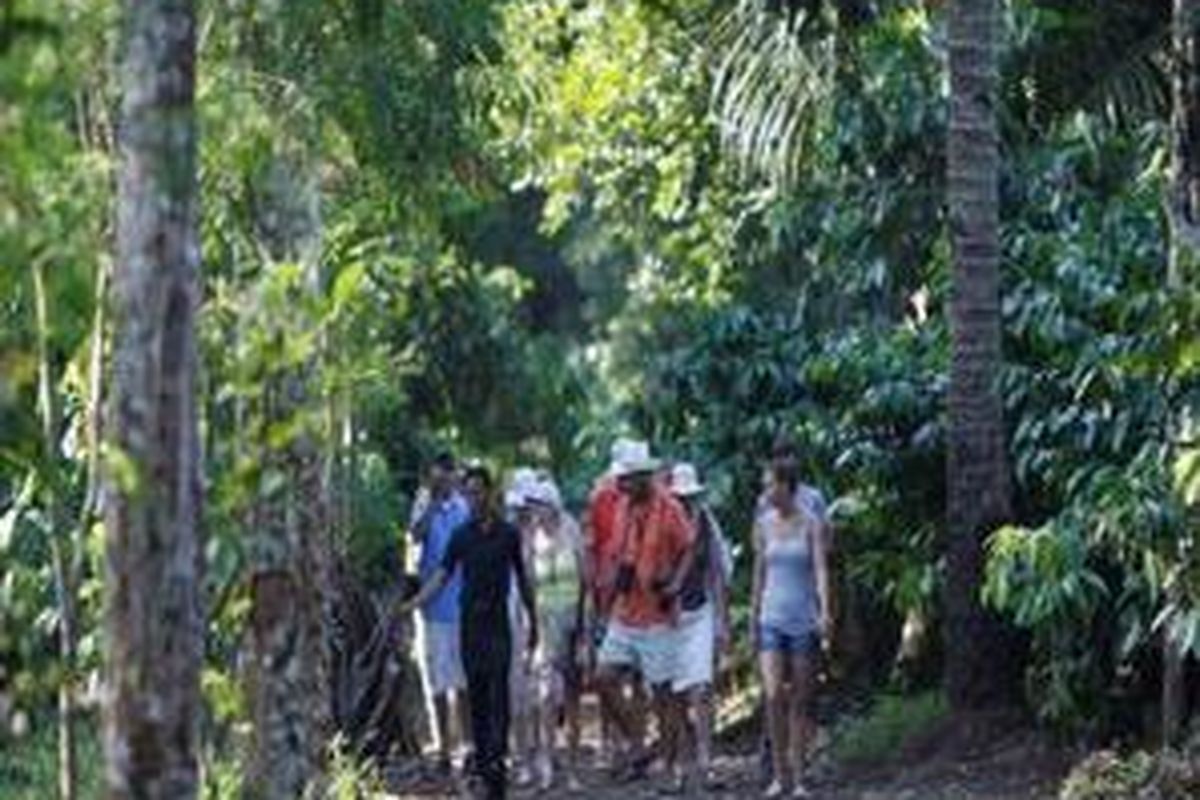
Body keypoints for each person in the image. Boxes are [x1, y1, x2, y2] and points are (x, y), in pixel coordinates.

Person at [397, 464, 539, 800]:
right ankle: (484, 760)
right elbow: (441, 575)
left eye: (479, 492)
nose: (474, 499)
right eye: (469, 493)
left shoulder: (508, 534)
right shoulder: (462, 536)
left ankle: (497, 762)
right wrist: (413, 603)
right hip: (470, 625)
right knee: (475, 693)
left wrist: (534, 624)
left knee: (499, 693)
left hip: (498, 625)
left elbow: (523, 578)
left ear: (490, 494)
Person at [593, 441, 695, 786]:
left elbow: (688, 549)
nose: (619, 485)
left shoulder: (670, 508)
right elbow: (619, 551)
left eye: (626, 479)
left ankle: (668, 769)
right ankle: (639, 745)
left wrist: (676, 584)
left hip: (657, 617)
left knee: (663, 694)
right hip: (625, 612)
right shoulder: (623, 505)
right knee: (603, 677)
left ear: (643, 477)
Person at [752, 460, 833, 799]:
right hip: (771, 618)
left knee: (801, 699)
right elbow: (759, 574)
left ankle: (799, 779)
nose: (766, 491)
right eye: (765, 485)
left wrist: (826, 610)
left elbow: (820, 569)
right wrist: (752, 617)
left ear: (787, 486)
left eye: (771, 484)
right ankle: (779, 777)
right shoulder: (763, 524)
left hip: (803, 620)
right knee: (773, 696)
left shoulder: (811, 522)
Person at [666, 462, 733, 793]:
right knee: (677, 693)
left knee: (703, 689)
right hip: (670, 618)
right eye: (680, 496)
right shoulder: (663, 526)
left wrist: (723, 623)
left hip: (701, 610)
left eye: (689, 496)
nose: (685, 502)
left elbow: (718, 575)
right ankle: (682, 761)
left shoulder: (707, 524)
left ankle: (707, 761)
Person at [407, 451, 471, 775]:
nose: (442, 480)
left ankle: (468, 749)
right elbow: (414, 537)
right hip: (431, 610)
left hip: (462, 607)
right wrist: (430, 504)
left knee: (462, 683)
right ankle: (444, 749)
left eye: (447, 474)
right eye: (437, 475)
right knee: (435, 684)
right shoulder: (422, 503)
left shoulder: (465, 505)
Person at [525, 477, 586, 792]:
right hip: (546, 626)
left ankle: (573, 768)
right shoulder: (533, 538)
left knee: (573, 698)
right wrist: (533, 636)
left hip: (572, 624)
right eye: (532, 506)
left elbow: (586, 585)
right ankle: (547, 762)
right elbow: (532, 592)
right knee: (546, 696)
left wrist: (585, 636)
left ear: (552, 505)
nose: (534, 511)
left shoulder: (571, 530)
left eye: (538, 505)